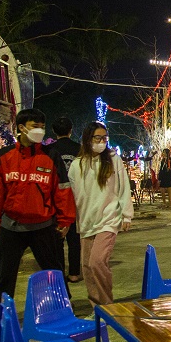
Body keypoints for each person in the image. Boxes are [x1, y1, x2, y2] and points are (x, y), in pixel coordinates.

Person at [0, 108, 75, 341]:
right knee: (4, 278)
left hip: (43, 227)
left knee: (54, 274)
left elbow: (62, 190)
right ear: (21, 128)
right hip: (12, 227)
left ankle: (63, 317)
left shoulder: (51, 156)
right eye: (34, 125)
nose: (39, 129)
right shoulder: (5, 156)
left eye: (42, 125)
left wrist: (65, 219)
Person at [69, 122, 132, 309]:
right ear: (88, 139)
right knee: (87, 267)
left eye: (105, 138)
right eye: (98, 138)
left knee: (97, 261)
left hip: (108, 219)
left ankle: (107, 304)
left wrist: (126, 214)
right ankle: (96, 306)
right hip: (87, 220)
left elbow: (123, 187)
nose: (102, 141)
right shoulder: (76, 165)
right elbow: (72, 194)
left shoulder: (113, 159)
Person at [46, 116, 83, 283]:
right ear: (71, 130)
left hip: (56, 198)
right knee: (74, 238)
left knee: (57, 238)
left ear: (54, 131)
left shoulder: (48, 150)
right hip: (76, 197)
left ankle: (59, 273)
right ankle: (74, 273)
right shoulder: (80, 149)